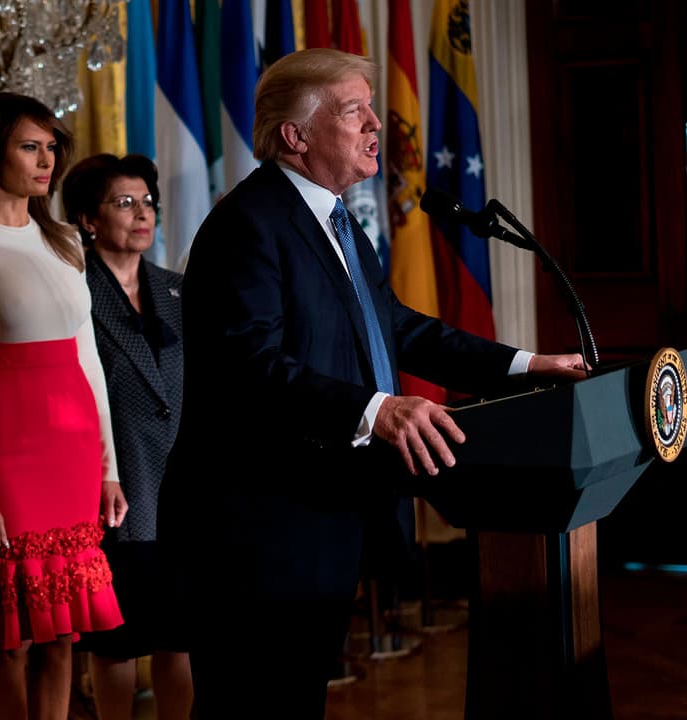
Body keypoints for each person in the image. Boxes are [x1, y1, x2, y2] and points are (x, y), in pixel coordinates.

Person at [156, 48, 588, 718]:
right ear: (296, 136)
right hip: (255, 531)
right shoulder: (249, 224)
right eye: (352, 110)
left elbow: (396, 327)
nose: (374, 124)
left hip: (321, 516)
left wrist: (526, 366)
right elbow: (250, 365)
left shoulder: (333, 218)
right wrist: (377, 410)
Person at [0, 92, 128, 719]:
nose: (46, 161)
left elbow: (90, 363)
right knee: (8, 636)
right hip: (6, 461)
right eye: (29, 147)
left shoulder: (65, 239)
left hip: (73, 458)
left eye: (51, 148)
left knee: (61, 630)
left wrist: (109, 469)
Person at [60, 154, 192, 720]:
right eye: (125, 203)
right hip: (110, 493)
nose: (143, 214)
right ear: (89, 219)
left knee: (179, 637)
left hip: (182, 494)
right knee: (116, 639)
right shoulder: (72, 295)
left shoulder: (179, 290)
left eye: (148, 203)